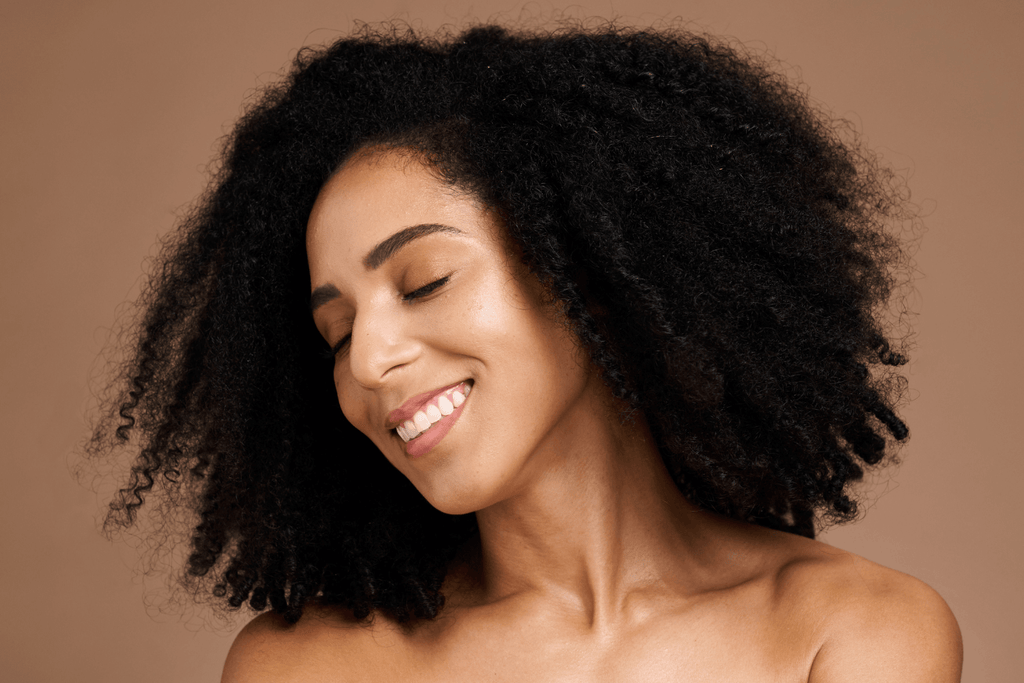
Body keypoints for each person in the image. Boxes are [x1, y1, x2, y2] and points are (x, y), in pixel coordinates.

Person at [89, 21, 962, 681]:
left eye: (425, 280)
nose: (366, 363)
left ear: (587, 276)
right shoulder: (309, 666)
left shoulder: (850, 634)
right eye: (338, 332)